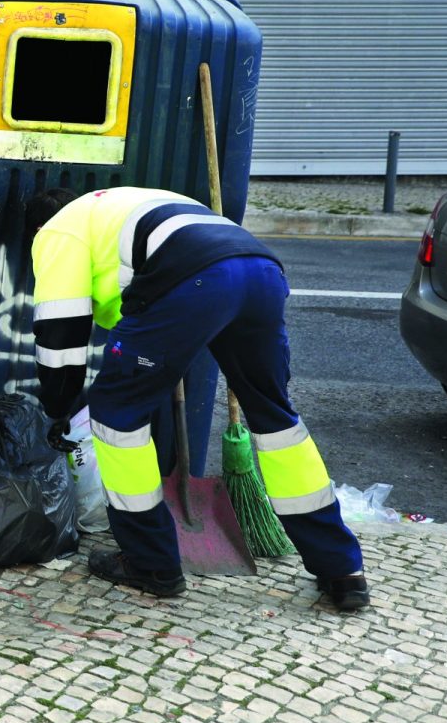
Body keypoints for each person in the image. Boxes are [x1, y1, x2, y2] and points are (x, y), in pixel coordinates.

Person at [23, 186, 369, 611]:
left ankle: (151, 564)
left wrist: (58, 408)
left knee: (116, 419)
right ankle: (342, 571)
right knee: (277, 422)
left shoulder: (58, 231)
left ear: (38, 228)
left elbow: (61, 334)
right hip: (259, 270)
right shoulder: (128, 202)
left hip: (194, 280)